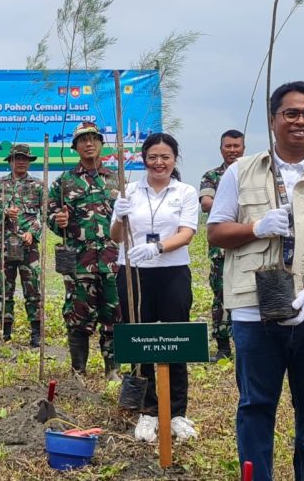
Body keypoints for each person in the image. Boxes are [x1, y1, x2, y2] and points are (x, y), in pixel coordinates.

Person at [207, 81, 304, 481]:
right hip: (254, 310)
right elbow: (216, 233)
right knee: (255, 407)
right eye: (291, 113)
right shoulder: (241, 171)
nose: (301, 121)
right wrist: (257, 226)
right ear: (273, 120)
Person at [110, 133, 199, 443]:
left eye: (166, 157)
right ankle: (148, 412)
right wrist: (120, 215)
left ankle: (176, 412)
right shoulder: (128, 191)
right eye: (153, 157)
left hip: (172, 271)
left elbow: (187, 233)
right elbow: (115, 237)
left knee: (176, 339)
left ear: (175, 159)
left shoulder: (185, 192)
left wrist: (157, 248)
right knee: (140, 337)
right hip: (134, 273)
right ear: (143, 159)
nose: (159, 162)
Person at [47, 121, 121, 380]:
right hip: (79, 261)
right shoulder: (64, 183)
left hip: (113, 260)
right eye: (83, 140)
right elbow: (50, 216)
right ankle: (78, 369)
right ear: (75, 147)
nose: (88, 143)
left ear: (101, 143)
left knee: (114, 312)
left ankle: (113, 369)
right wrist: (58, 221)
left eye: (93, 138)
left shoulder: (116, 178)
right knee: (78, 315)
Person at [0, 143, 43, 346]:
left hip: (29, 248)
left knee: (33, 289)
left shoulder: (38, 186)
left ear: (29, 162)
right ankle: (5, 333)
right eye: (17, 158)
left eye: (25, 159)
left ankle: (36, 335)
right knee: (4, 289)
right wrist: (3, 213)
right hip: (4, 247)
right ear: (10, 161)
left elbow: (45, 215)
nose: (21, 162)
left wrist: (33, 232)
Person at [198, 129, 245, 362]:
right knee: (221, 297)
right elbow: (207, 204)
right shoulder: (211, 176)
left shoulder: (252, 174)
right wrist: (237, 207)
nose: (233, 150)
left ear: (243, 148)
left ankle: (248, 346)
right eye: (228, 146)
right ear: (221, 149)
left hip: (249, 247)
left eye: (237, 146)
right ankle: (224, 348)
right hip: (221, 252)